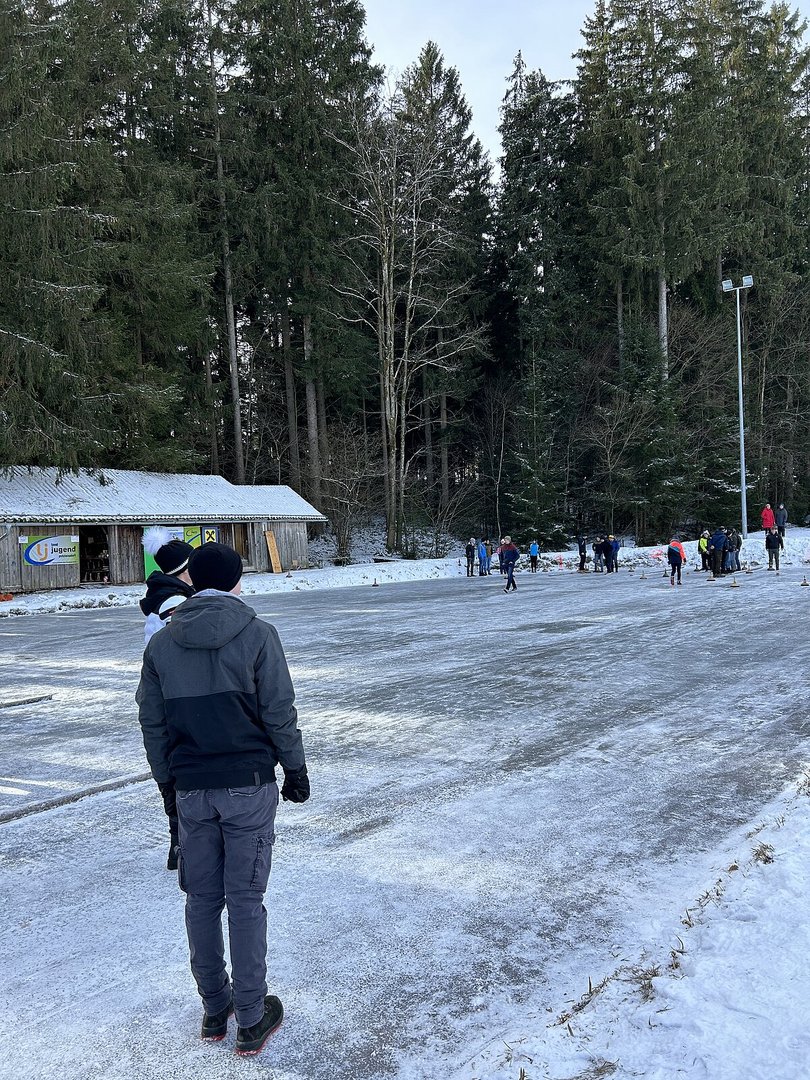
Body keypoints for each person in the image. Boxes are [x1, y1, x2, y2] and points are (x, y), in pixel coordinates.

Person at [136, 542, 309, 1056]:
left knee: (202, 899)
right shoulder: (258, 634)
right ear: (236, 580)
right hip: (247, 785)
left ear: (191, 580)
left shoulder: (162, 643)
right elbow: (278, 710)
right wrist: (295, 768)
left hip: (192, 788)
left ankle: (216, 1007)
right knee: (245, 900)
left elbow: (153, 724)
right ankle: (251, 1018)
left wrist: (167, 786)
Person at [139, 527, 197, 870]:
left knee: (173, 768)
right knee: (178, 770)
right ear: (184, 570)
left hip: (164, 689)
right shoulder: (175, 603)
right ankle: (182, 843)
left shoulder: (166, 597)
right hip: (173, 693)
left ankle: (180, 842)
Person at [140, 527, 196, 645]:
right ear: (186, 569)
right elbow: (181, 641)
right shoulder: (175, 601)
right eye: (195, 563)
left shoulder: (170, 593)